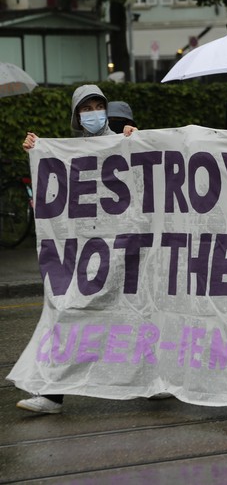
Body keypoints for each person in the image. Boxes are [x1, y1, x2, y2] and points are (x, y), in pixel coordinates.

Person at [18, 85, 137, 414]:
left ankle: (153, 383)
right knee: (71, 315)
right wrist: (35, 149)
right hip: (88, 254)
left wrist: (138, 139)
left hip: (126, 250)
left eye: (99, 106)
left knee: (138, 317)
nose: (94, 113)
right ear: (76, 115)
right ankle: (53, 393)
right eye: (86, 108)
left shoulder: (125, 140)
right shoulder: (65, 153)